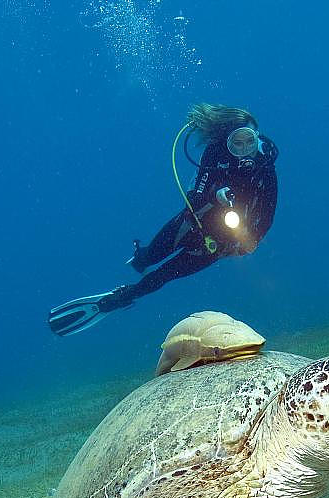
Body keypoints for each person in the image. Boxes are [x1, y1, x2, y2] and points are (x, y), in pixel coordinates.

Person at [49, 103, 279, 336]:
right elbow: (195, 197)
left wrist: (253, 240)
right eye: (237, 143)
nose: (244, 149)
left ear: (257, 137)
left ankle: (119, 298)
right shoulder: (215, 154)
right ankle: (140, 256)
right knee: (147, 258)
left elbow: (268, 211)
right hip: (190, 225)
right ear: (226, 141)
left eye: (249, 141)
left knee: (164, 275)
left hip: (218, 244)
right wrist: (215, 195)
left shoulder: (266, 166)